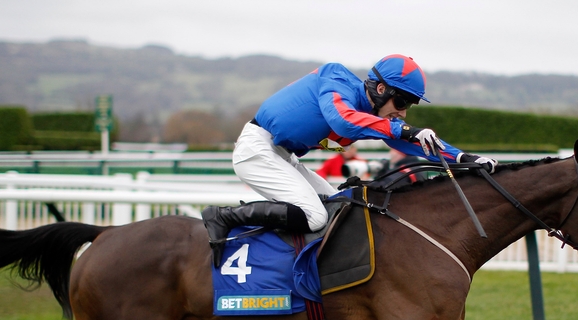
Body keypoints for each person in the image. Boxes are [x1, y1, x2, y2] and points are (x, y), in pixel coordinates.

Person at [202, 54, 496, 267]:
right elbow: (342, 122)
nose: (404, 113)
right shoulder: (336, 78)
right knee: (316, 216)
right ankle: (224, 217)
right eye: (402, 102)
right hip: (256, 150)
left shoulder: (370, 115)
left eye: (409, 106)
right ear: (381, 90)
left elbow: (409, 140)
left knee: (342, 210)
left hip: (281, 156)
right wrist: (404, 129)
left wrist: (462, 157)